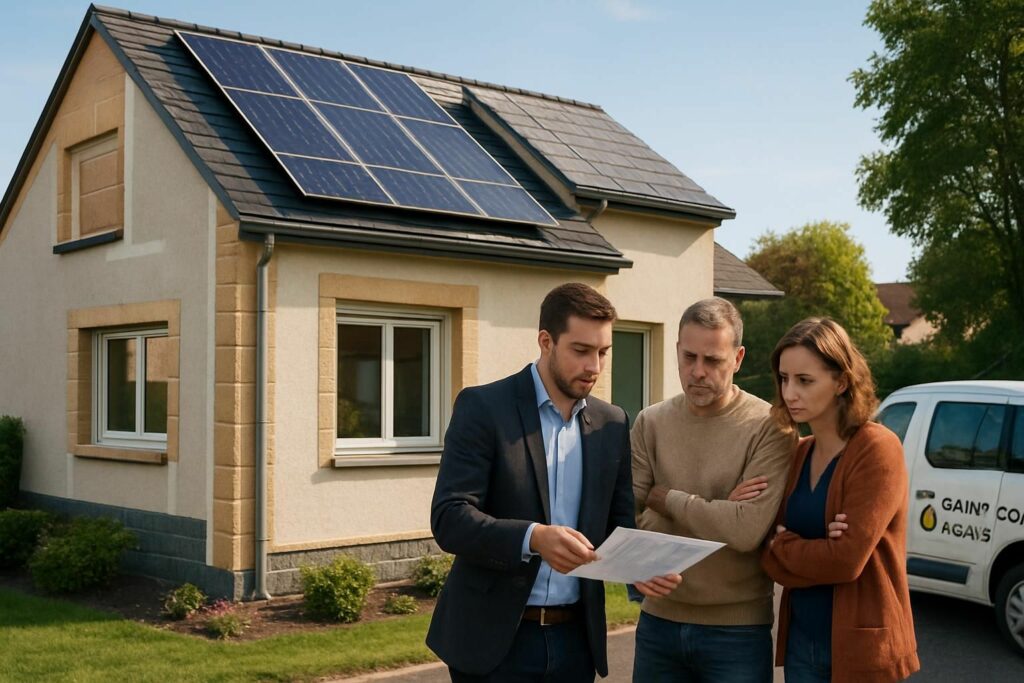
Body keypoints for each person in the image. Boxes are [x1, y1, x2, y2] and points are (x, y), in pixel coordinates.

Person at [427, 282, 680, 682]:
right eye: (581, 351)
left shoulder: (611, 423)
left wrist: (638, 566)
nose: (594, 366)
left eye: (602, 352)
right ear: (546, 341)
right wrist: (534, 538)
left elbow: (617, 524)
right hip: (493, 643)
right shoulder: (483, 408)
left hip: (576, 642)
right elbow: (449, 518)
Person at [631, 297, 795, 682]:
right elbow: (628, 512)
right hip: (657, 622)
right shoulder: (650, 422)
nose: (698, 372)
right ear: (676, 350)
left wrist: (665, 497)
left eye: (713, 360)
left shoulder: (771, 427)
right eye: (689, 357)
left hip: (735, 631)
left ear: (737, 359)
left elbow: (744, 530)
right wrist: (718, 509)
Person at [758, 317, 920, 682]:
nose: (789, 393)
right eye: (784, 379)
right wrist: (806, 547)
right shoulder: (800, 452)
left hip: (864, 649)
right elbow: (766, 552)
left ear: (841, 381)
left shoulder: (878, 449)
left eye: (804, 380)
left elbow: (846, 562)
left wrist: (788, 544)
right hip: (801, 644)